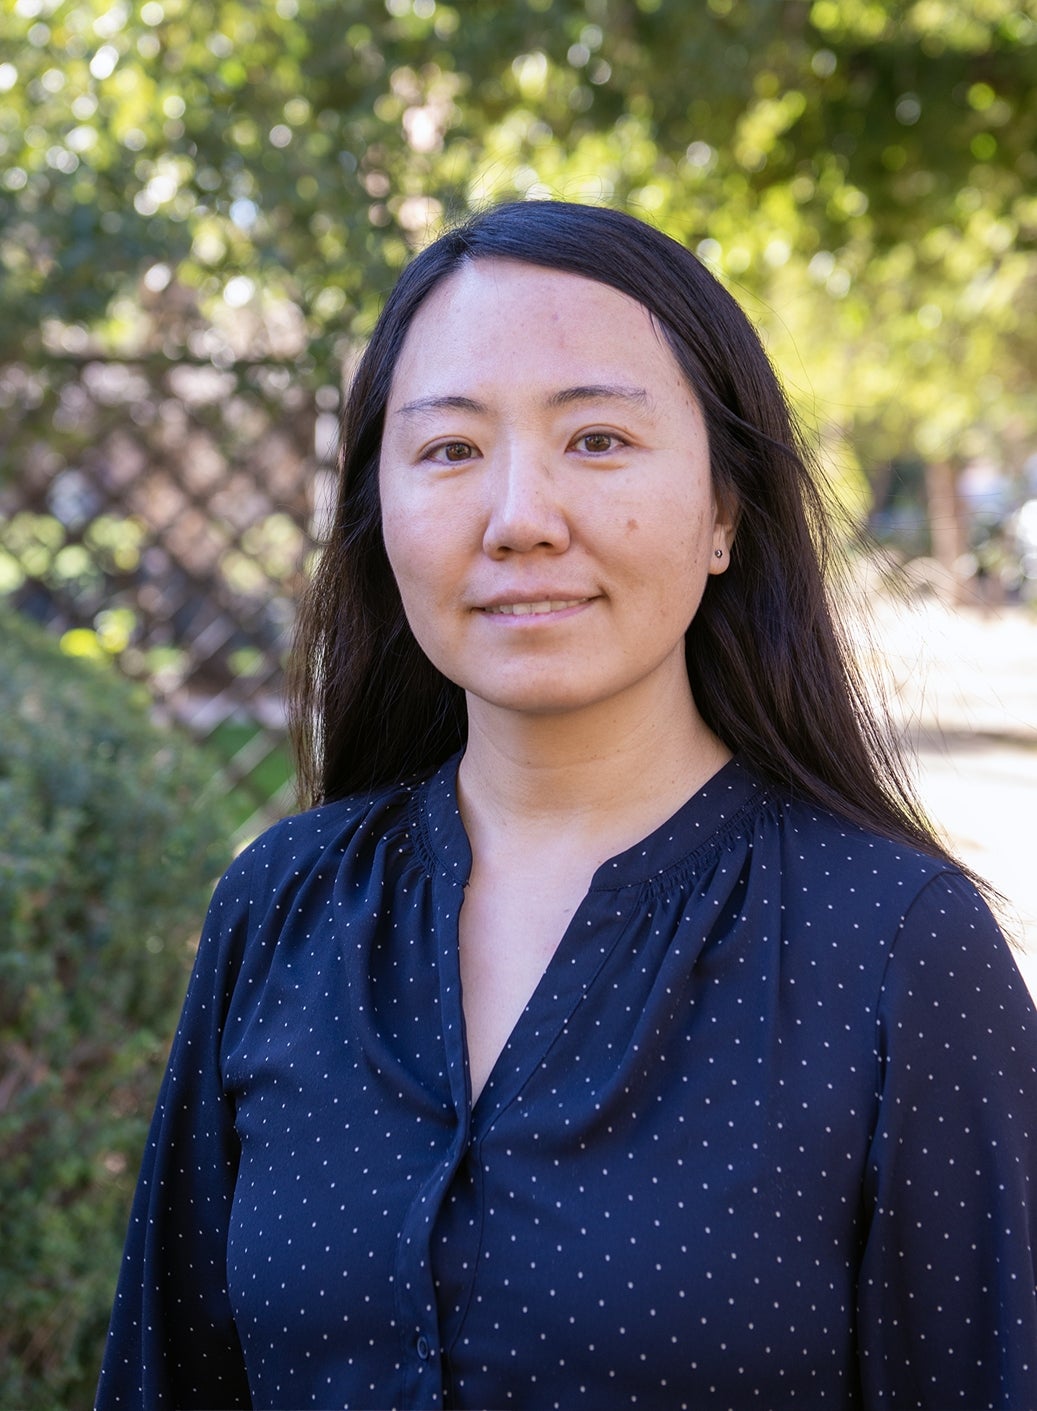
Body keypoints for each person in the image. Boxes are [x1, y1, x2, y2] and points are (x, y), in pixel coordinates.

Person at [96, 201, 1037, 1411]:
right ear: (379, 512)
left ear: (722, 512)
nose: (519, 517)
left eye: (595, 440)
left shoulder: (895, 950)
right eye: (448, 450)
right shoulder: (279, 910)